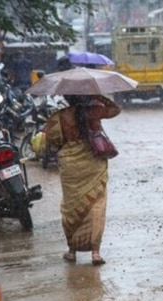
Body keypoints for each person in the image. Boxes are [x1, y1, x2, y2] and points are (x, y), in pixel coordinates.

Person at [45, 94, 121, 264]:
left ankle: (72, 251)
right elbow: (116, 110)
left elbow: (50, 141)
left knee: (71, 206)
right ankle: (95, 252)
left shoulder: (58, 116)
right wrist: (100, 97)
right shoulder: (93, 111)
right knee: (96, 205)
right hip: (93, 163)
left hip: (70, 166)